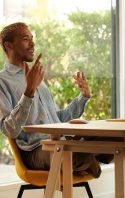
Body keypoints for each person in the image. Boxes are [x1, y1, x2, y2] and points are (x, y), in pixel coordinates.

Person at [0, 22, 103, 178]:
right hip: (36, 150)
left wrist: (83, 97)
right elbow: (9, 129)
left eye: (32, 38)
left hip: (59, 141)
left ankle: (92, 159)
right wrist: (28, 92)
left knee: (114, 138)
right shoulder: (3, 81)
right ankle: (92, 160)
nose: (33, 43)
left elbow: (58, 120)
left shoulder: (37, 77)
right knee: (77, 154)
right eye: (26, 39)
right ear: (9, 45)